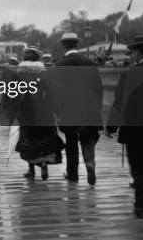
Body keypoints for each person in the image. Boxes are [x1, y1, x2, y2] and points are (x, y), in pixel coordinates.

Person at [106, 36, 143, 219]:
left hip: (136, 131)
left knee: (140, 169)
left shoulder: (129, 74)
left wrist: (111, 127)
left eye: (132, 52)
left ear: (138, 52)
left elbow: (118, 104)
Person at [48, 32, 103, 185]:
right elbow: (98, 89)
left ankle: (73, 174)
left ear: (63, 46)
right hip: (88, 110)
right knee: (87, 139)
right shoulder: (90, 63)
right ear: (77, 45)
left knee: (71, 143)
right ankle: (90, 164)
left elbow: (55, 92)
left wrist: (57, 111)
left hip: (68, 111)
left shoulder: (59, 65)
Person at [15, 47, 64, 180]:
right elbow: (52, 93)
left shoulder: (20, 74)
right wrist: (57, 111)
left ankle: (31, 170)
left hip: (26, 113)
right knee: (44, 139)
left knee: (28, 140)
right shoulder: (44, 74)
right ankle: (43, 163)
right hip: (44, 112)